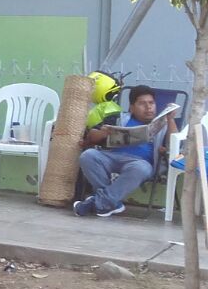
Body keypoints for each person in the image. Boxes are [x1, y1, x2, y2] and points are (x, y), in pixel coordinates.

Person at [74, 85, 174, 217]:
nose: (148, 107)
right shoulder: (119, 118)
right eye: (142, 104)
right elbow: (92, 135)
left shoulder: (162, 124)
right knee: (88, 156)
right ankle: (109, 203)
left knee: (141, 168)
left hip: (139, 164)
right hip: (112, 158)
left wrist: (170, 119)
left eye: (151, 103)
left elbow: (175, 144)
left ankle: (99, 202)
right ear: (132, 107)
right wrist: (103, 133)